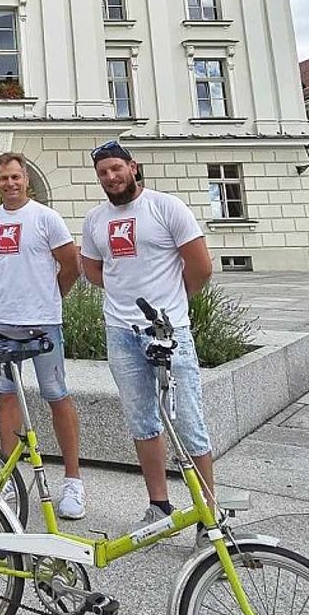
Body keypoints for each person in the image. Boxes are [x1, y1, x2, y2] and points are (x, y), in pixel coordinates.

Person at [80, 140, 215, 526]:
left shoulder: (166, 207)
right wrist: (124, 294)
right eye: (103, 172)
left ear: (132, 167)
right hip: (121, 331)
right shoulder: (96, 219)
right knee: (141, 420)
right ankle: (159, 503)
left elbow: (200, 266)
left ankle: (209, 513)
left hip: (168, 332)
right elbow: (92, 270)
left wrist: (171, 301)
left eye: (116, 169)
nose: (111, 177)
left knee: (188, 422)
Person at [0, 152, 86, 520]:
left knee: (57, 396)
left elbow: (71, 264)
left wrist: (49, 296)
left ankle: (73, 481)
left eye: (16, 177)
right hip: (1, 324)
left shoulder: (46, 218)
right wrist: (11, 295)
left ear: (27, 180)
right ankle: (8, 479)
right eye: (3, 178)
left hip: (43, 325)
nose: (10, 183)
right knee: (6, 399)